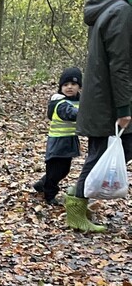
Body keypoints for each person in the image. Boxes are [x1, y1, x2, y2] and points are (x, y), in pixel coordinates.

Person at [67, 0, 132, 233]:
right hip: (109, 103)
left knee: (104, 152)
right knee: (102, 154)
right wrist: (124, 108)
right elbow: (121, 64)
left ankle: (78, 199)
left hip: (103, 99)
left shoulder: (112, 5)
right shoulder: (123, 11)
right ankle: (75, 206)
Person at [33, 68, 82, 206]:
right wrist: (88, 112)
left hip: (68, 142)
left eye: (73, 84)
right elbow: (72, 113)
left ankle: (41, 184)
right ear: (61, 87)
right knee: (55, 171)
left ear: (79, 86)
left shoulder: (79, 100)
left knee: (64, 170)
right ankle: (49, 195)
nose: (69, 87)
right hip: (58, 142)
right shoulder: (60, 102)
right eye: (65, 85)